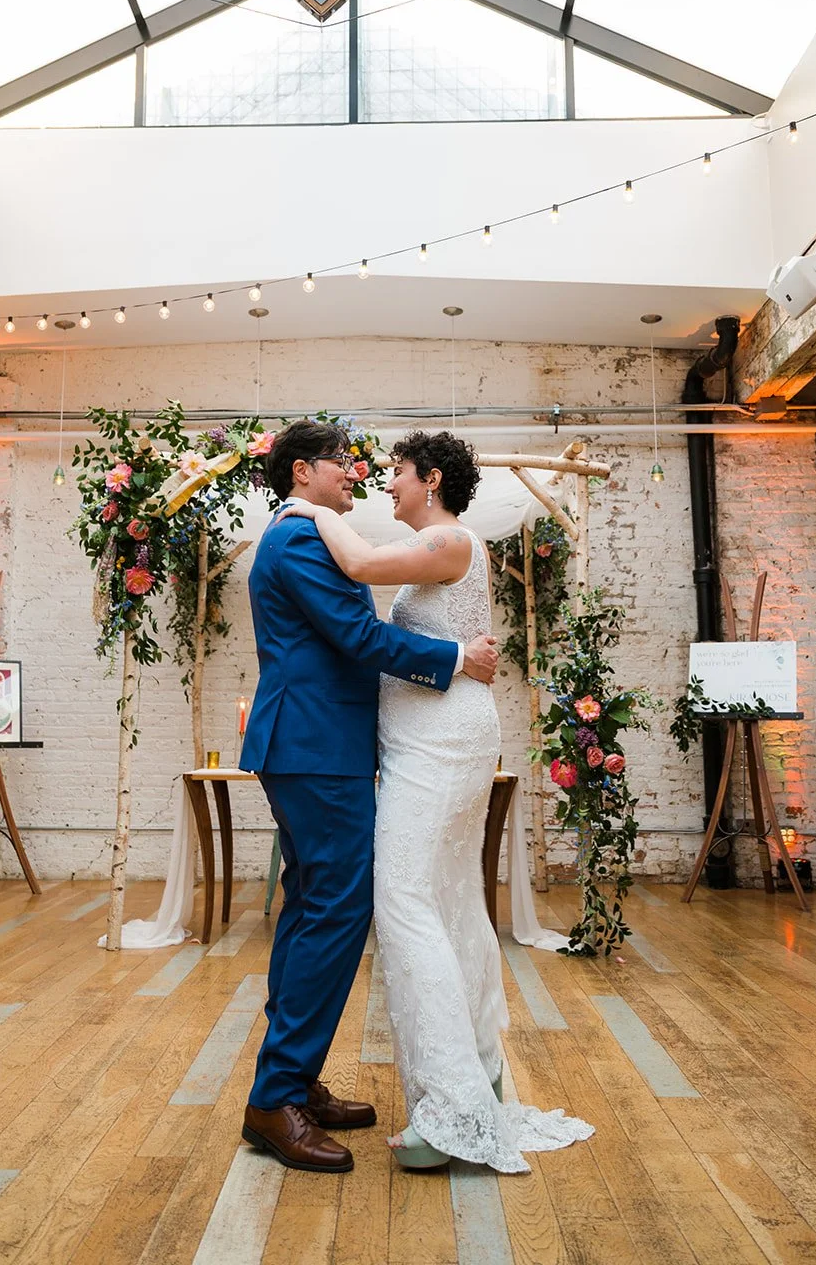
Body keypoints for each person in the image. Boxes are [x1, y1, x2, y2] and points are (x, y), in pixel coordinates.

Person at [278, 429, 594, 1172]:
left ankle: (450, 1105)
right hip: (425, 746)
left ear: (429, 480)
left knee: (406, 902)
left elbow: (353, 562)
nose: (383, 483)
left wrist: (307, 509)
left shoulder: (452, 541)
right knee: (448, 902)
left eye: (393, 473)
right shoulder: (442, 552)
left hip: (439, 748)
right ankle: (476, 1069)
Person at [238, 420, 500, 1174]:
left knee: (315, 901)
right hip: (315, 747)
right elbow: (359, 639)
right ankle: (275, 1097)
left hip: (324, 745)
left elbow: (352, 631)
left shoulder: (309, 534)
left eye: (371, 467)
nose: (356, 477)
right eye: (340, 467)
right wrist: (455, 657)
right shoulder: (297, 540)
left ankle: (293, 1083)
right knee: (337, 907)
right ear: (299, 473)